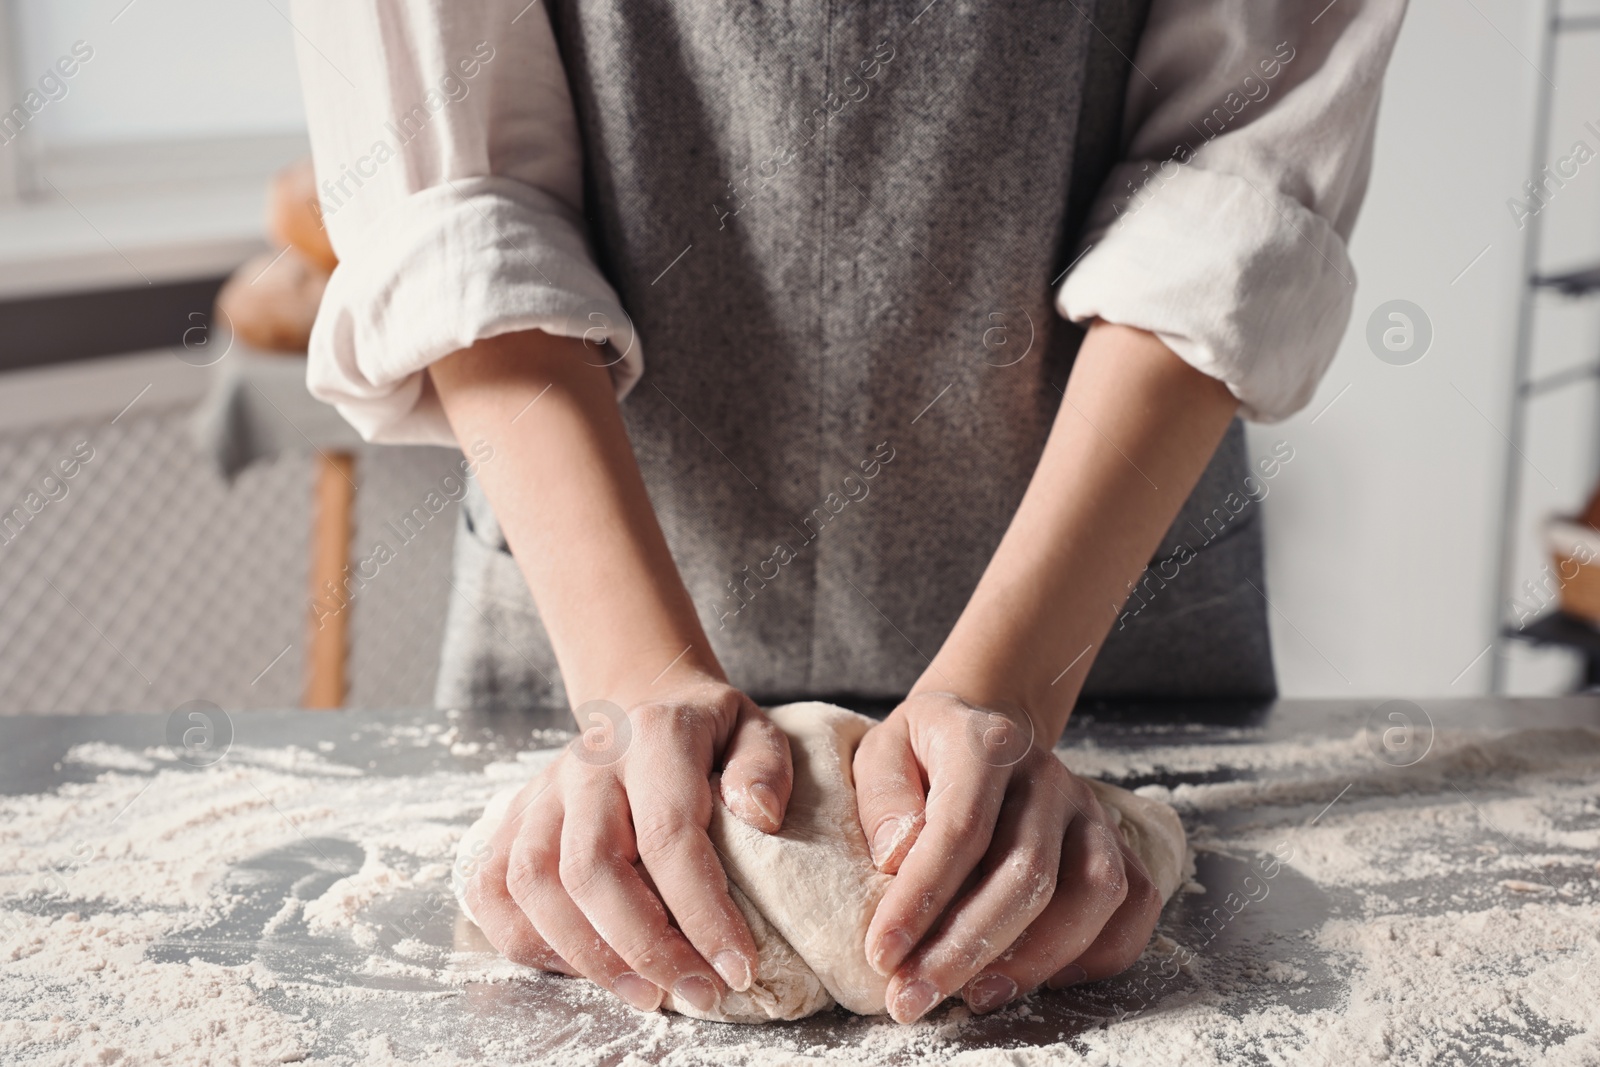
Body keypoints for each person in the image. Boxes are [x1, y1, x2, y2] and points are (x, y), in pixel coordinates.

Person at [290, 0, 1405, 1024]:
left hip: (1105, 603)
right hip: (588, 614)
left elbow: (1232, 169)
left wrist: (1013, 683)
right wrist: (632, 678)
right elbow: (455, 190)